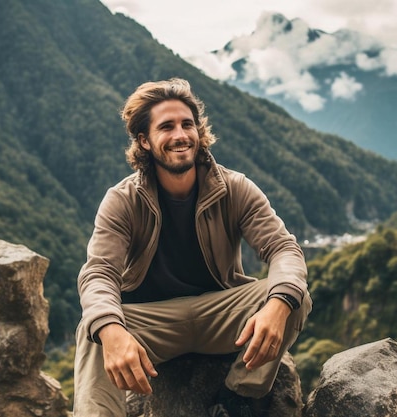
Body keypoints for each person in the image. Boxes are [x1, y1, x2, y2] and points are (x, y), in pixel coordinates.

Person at [73, 78, 312, 417]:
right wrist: (111, 330)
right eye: (166, 127)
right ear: (144, 140)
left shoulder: (235, 188)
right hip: (155, 324)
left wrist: (277, 305)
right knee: (94, 328)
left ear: (199, 132)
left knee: (292, 295)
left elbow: (283, 249)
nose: (180, 135)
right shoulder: (122, 200)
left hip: (222, 315)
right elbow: (99, 273)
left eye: (187, 124)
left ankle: (238, 398)